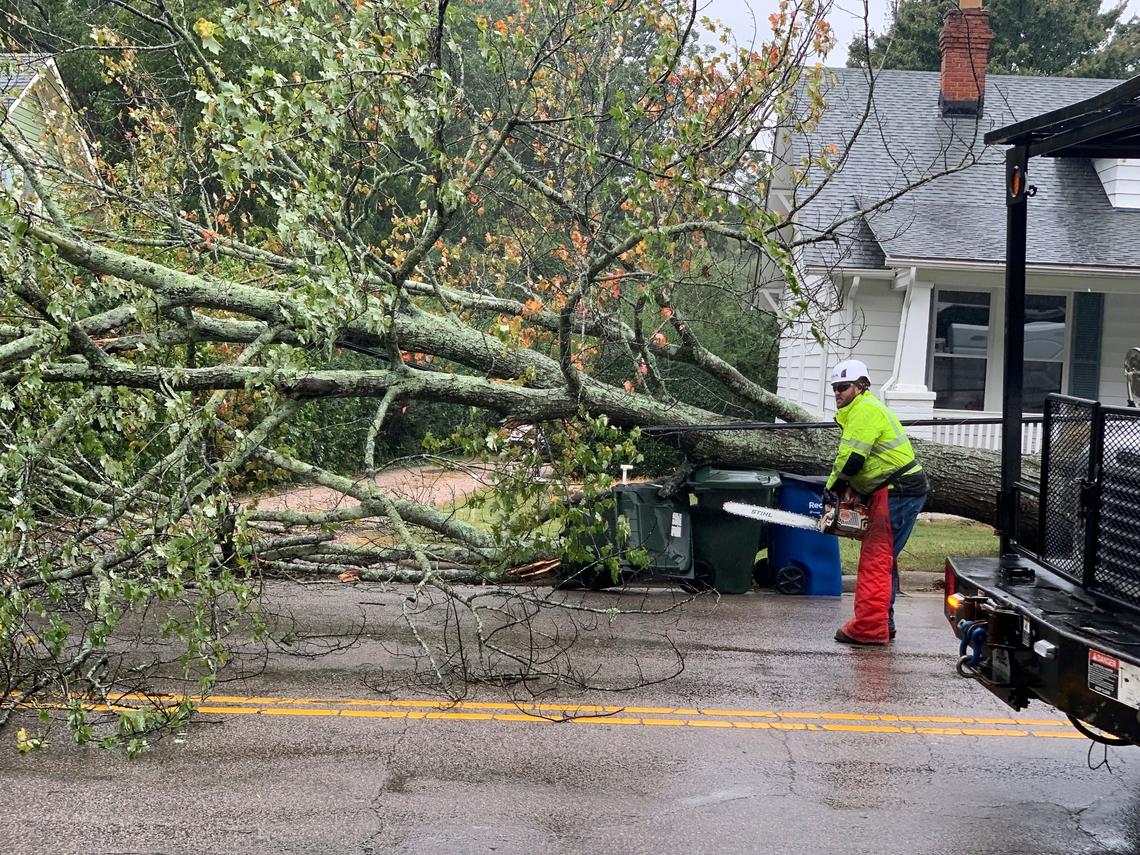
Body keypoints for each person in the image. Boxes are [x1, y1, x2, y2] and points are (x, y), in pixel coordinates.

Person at [826, 359, 929, 645]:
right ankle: (885, 622)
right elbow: (869, 461)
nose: (838, 393)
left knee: (876, 560)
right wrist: (855, 489)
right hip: (891, 488)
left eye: (843, 387)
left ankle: (869, 629)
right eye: (835, 388)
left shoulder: (865, 410)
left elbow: (853, 458)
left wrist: (833, 488)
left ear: (860, 387)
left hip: (898, 490)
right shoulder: (861, 410)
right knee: (883, 559)